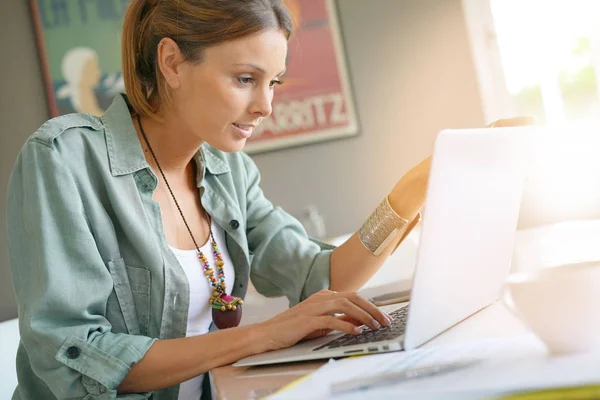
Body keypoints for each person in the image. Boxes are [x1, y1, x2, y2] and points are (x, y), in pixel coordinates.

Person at [6, 1, 530, 399]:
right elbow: (74, 357)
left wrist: (414, 188)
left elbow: (321, 277)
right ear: (171, 61)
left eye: (274, 82)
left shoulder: (227, 169)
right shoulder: (63, 158)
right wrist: (261, 336)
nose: (266, 106)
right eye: (244, 79)